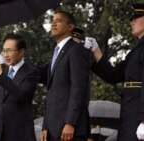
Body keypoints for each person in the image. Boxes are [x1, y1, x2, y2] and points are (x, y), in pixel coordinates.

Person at [84, 3, 144, 141]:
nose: (131, 21)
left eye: (136, 18)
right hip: (131, 114)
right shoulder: (137, 50)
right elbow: (113, 75)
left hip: (141, 117)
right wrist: (96, 51)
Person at [40, 11, 91, 141]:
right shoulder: (56, 53)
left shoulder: (76, 50)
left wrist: (70, 122)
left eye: (59, 21)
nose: (53, 23)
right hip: (53, 128)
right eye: (52, 20)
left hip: (69, 129)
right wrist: (46, 125)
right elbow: (52, 92)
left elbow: (78, 89)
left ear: (70, 27)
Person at [0, 33, 38, 141]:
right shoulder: (3, 73)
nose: (5, 55)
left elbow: (20, 94)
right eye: (4, 51)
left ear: (21, 52)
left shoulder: (31, 72)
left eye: (9, 50)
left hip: (20, 135)